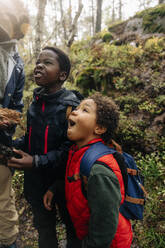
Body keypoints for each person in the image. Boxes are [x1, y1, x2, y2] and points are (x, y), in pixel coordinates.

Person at [7, 46, 82, 248]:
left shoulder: (71, 106)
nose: (39, 65)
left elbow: (72, 150)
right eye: (38, 62)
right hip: (36, 183)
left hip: (63, 182)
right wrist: (11, 146)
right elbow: (31, 139)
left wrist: (36, 161)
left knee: (73, 230)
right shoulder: (35, 103)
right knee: (44, 229)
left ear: (62, 75)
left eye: (47, 63)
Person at [44, 92, 133, 248]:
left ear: (99, 128)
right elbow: (78, 181)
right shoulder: (77, 152)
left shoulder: (99, 169)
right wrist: (57, 188)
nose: (74, 111)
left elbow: (105, 226)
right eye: (77, 108)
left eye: (85, 110)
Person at [0, 39, 25, 248]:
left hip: (1, 148)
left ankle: (8, 243)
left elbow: (17, 104)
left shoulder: (16, 61)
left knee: (4, 202)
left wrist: (8, 124)